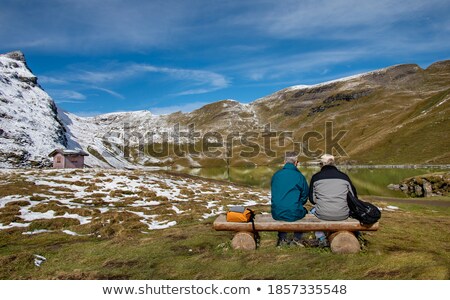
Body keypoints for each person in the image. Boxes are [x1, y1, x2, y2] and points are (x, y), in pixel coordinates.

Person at [308, 154, 358, 247]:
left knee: (312, 211)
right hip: (343, 214)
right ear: (333, 163)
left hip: (322, 214)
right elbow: (354, 197)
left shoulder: (316, 177)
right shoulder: (344, 177)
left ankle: (321, 238)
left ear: (322, 164)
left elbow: (312, 199)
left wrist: (321, 200)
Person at [271, 152, 309, 246]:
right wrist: (298, 203)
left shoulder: (276, 175)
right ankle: (297, 238)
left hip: (277, 213)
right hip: (294, 212)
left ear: (284, 162)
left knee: (283, 209)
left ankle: (282, 238)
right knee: (303, 211)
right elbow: (305, 196)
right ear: (296, 163)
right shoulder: (300, 176)